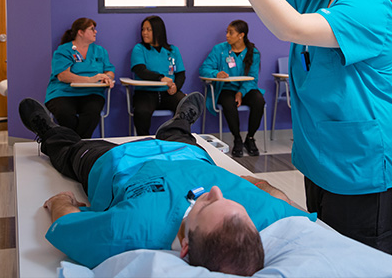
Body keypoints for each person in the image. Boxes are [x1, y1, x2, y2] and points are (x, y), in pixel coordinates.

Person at [212, 0, 392, 254]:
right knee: (324, 256)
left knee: (355, 264)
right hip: (322, 157)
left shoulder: (372, 8)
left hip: (361, 164)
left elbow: (293, 28)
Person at [18, 93, 314, 274]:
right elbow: (276, 199)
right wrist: (260, 186)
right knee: (180, 135)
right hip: (186, 154)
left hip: (118, 162)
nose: (215, 191)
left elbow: (67, 225)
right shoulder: (255, 217)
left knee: (70, 152)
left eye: (206, 204)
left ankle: (50, 131)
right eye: (225, 199)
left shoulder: (134, 228)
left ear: (184, 246)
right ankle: (180, 121)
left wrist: (63, 202)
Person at [199, 20, 265, 157]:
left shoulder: (253, 53)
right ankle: (237, 139)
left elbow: (253, 78)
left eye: (231, 33)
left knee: (259, 100)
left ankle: (250, 138)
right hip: (226, 88)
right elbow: (204, 69)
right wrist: (216, 73)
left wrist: (241, 93)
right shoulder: (219, 50)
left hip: (245, 88)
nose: (227, 36)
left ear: (241, 35)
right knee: (229, 103)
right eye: (227, 32)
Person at [45, 18, 115, 139]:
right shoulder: (63, 50)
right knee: (65, 114)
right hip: (63, 93)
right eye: (92, 29)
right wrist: (91, 79)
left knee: (92, 114)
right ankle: (80, 146)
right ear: (80, 32)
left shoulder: (100, 51)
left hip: (91, 93)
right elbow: (63, 76)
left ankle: (73, 146)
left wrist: (107, 77)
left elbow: (109, 70)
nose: (96, 32)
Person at [130, 15, 186, 135]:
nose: (144, 33)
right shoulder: (139, 49)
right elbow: (140, 70)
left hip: (168, 93)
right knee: (142, 113)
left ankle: (179, 140)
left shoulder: (173, 50)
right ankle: (144, 144)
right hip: (146, 93)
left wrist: (176, 87)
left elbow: (181, 74)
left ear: (158, 30)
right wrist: (161, 78)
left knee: (184, 105)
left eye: (148, 30)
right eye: (143, 29)